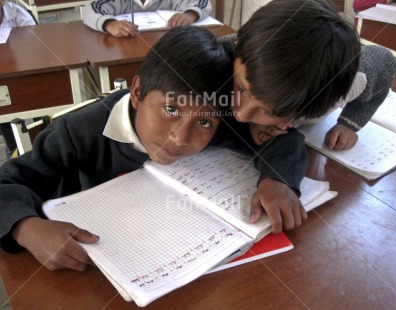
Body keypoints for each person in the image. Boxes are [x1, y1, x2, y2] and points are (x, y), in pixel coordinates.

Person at [0, 26, 308, 271]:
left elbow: (284, 138)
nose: (180, 138)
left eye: (204, 124)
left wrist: (277, 180)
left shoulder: (217, 120)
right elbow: (8, 183)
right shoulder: (77, 132)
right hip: (85, 260)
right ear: (137, 92)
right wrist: (24, 227)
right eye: (171, 109)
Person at [226, 0, 396, 151]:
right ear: (238, 45)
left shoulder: (355, 79)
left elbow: (386, 64)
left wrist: (350, 123)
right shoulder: (233, 50)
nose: (240, 115)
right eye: (242, 88)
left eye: (270, 111)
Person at [0, 0, 36, 158]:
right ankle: (13, 151)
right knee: (5, 111)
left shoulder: (19, 15)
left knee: (38, 97)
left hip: (19, 71)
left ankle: (42, 143)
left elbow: (37, 46)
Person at [82, 0, 212, 37]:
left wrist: (189, 15)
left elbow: (201, 2)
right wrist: (109, 24)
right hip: (128, 47)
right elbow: (91, 9)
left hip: (167, 44)